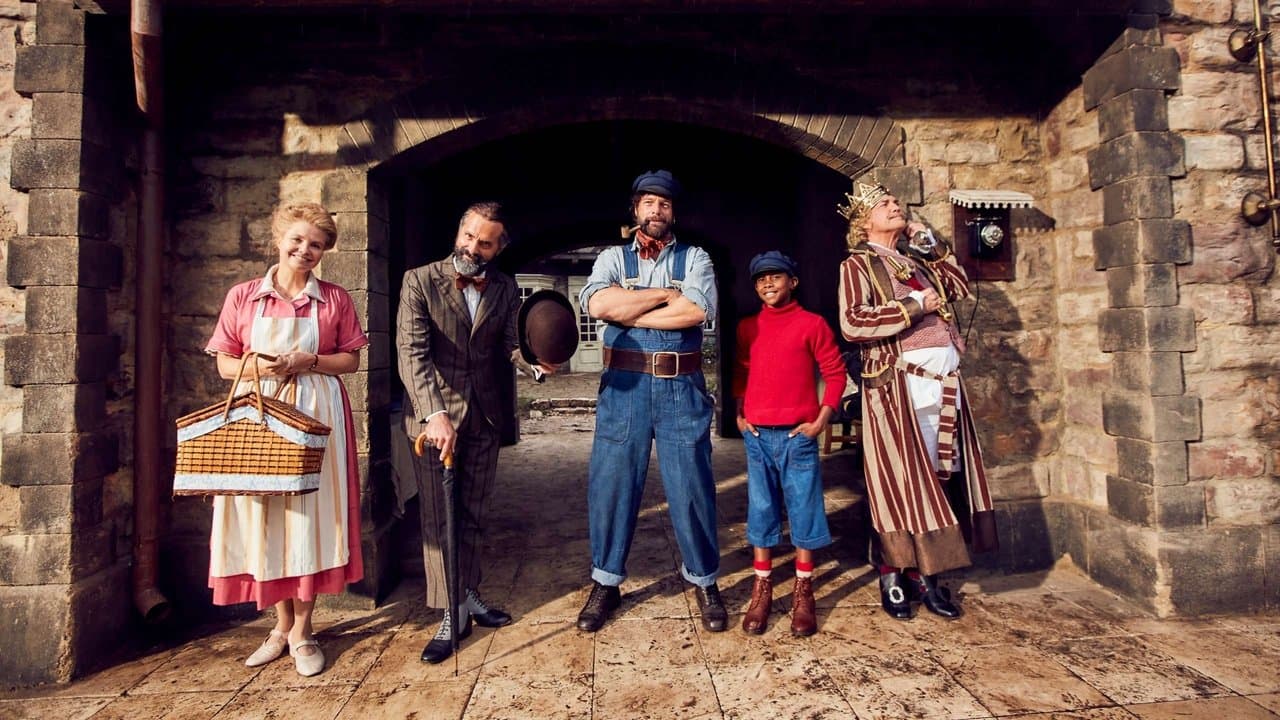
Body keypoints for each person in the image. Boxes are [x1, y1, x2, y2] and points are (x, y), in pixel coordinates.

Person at [204, 202, 369, 677]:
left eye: (316, 245)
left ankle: (304, 630)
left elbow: (351, 361)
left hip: (317, 411)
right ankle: (279, 627)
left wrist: (307, 361)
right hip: (258, 416)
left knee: (309, 516)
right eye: (297, 240)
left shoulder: (334, 299)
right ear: (277, 239)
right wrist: (263, 366)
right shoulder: (243, 297)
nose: (306, 250)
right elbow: (225, 364)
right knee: (265, 515)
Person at [396, 201, 553, 664]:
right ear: (460, 230)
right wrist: (434, 414)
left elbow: (508, 347)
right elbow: (411, 354)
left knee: (474, 514)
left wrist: (536, 368)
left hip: (484, 418)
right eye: (468, 236)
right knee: (440, 518)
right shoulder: (418, 280)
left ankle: (468, 594)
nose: (472, 247)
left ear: (498, 247)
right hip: (434, 424)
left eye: (484, 242)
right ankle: (449, 614)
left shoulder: (504, 288)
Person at [836, 180, 998, 620]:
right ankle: (893, 571)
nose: (895, 206)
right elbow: (853, 323)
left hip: (943, 384)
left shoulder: (916, 261)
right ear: (864, 220)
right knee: (901, 481)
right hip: (897, 385)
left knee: (938, 475)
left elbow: (961, 287)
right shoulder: (858, 265)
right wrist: (913, 306)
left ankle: (926, 573)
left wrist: (935, 248)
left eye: (895, 201)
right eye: (884, 204)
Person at [575, 170, 727, 633]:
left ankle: (704, 579)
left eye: (664, 204)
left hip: (681, 387)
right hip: (624, 386)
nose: (656, 210)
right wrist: (665, 296)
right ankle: (606, 581)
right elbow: (600, 306)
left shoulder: (696, 257)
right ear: (635, 209)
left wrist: (633, 302)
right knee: (613, 484)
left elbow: (698, 310)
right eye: (648, 203)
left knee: (692, 485)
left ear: (673, 212)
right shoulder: (610, 257)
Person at [732, 250, 846, 636]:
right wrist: (740, 414)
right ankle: (762, 588)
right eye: (760, 279)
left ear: (792, 282)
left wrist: (821, 420)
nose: (767, 284)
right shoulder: (749, 327)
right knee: (762, 510)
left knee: (804, 509)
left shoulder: (811, 324)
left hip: (799, 435)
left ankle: (803, 589)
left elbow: (835, 373)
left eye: (776, 277)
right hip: (758, 436)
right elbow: (741, 372)